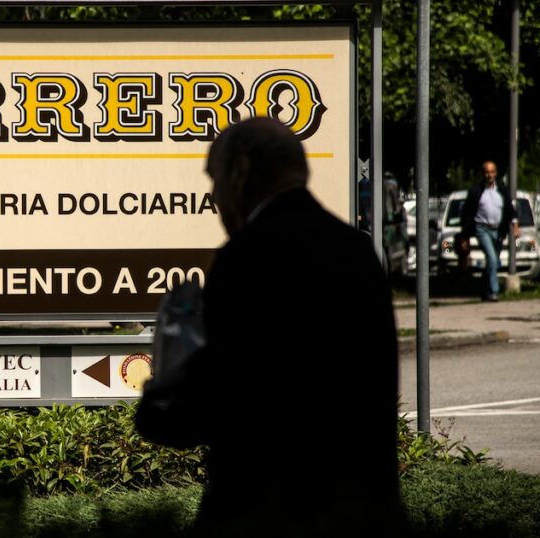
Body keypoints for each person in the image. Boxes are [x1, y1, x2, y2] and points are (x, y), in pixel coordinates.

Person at [135, 117, 401, 537]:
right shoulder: (357, 251)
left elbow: (227, 397)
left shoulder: (248, 255)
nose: (214, 196)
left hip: (272, 513)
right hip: (367, 512)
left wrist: (163, 392)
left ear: (240, 172)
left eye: (215, 179)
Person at [459, 160, 519, 302]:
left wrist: (515, 225)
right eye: (487, 172)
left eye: (492, 172)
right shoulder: (476, 191)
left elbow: (510, 210)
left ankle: (484, 290)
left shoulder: (502, 190)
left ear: (496, 173)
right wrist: (464, 236)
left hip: (498, 230)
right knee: (492, 258)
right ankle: (494, 291)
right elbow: (467, 214)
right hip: (482, 229)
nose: (489, 175)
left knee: (494, 262)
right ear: (483, 174)